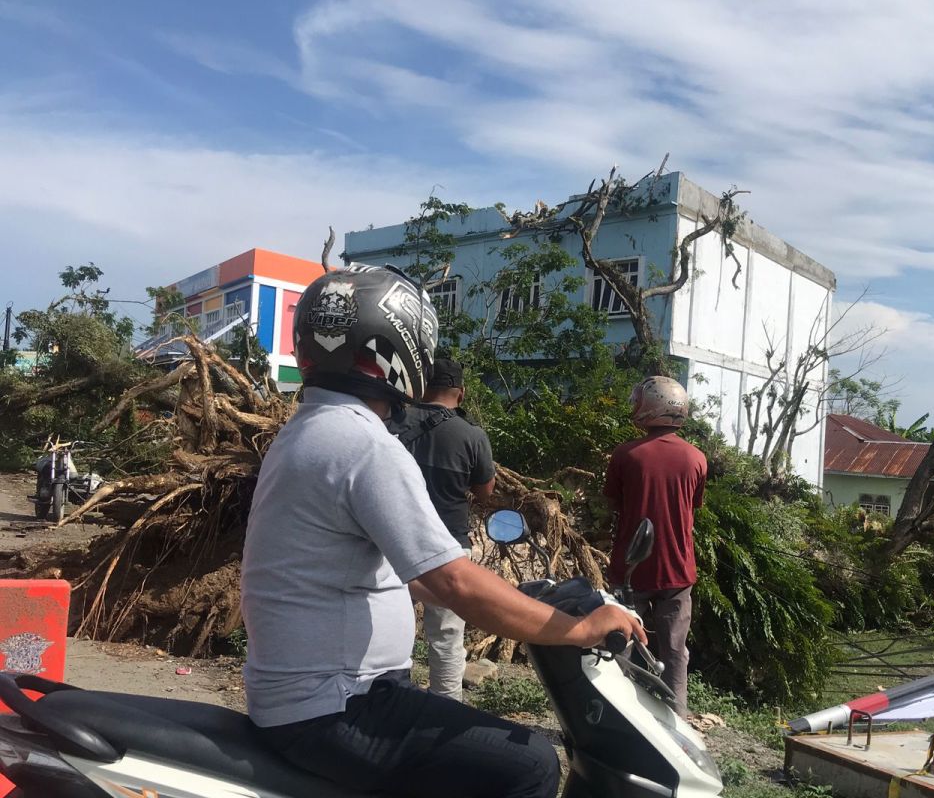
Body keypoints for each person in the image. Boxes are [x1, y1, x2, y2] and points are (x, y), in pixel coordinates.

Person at [241, 264, 643, 798]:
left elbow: (408, 574)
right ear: (398, 347)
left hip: (313, 698)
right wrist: (578, 631)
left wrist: (517, 598)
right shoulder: (364, 445)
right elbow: (453, 582)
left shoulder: (311, 430)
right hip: (336, 704)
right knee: (529, 765)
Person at [388, 357, 495, 701]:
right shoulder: (472, 435)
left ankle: (390, 698)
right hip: (446, 544)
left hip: (390, 541)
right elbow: (485, 492)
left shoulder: (392, 421)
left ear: (420, 389)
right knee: (447, 637)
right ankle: (446, 709)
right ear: (461, 394)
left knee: (389, 627)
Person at [604, 376, 708, 718]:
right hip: (678, 572)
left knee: (622, 647)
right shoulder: (696, 458)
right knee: (675, 650)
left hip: (631, 571)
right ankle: (677, 723)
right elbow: (693, 509)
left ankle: (620, 717)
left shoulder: (625, 454)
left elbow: (614, 503)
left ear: (649, 407)